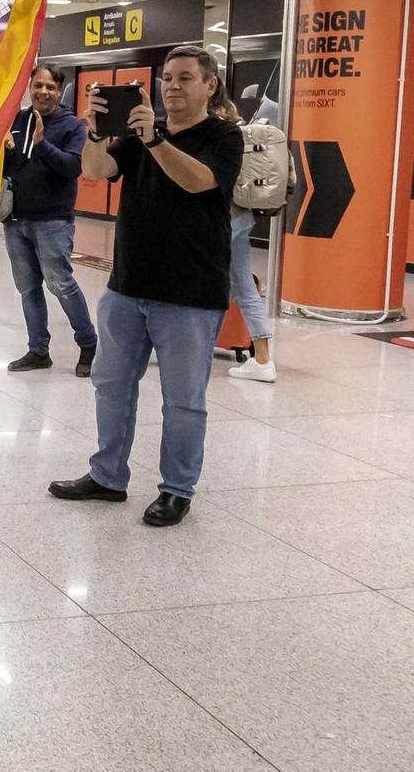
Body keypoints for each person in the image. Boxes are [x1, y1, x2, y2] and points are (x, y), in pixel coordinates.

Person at [51, 46, 243, 528]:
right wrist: (96, 133)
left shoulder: (222, 136)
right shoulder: (138, 136)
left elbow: (199, 182)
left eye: (185, 78)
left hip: (190, 293)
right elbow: (95, 171)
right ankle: (108, 476)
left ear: (210, 85)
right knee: (111, 385)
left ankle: (177, 489)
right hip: (127, 285)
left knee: (183, 399)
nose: (173, 86)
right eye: (167, 79)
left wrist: (154, 138)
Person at [0, 65, 98, 377]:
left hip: (52, 220)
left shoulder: (72, 126)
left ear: (59, 91)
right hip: (16, 219)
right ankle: (38, 350)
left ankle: (88, 343)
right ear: (30, 87)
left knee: (61, 284)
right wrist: (4, 151)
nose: (43, 92)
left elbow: (72, 167)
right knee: (27, 287)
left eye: (51, 87)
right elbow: (11, 167)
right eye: (38, 85)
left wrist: (42, 144)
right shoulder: (17, 120)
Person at [226, 119, 282, 383]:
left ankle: (188, 347)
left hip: (220, 220)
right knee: (245, 287)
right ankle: (262, 358)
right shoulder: (236, 122)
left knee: (200, 282)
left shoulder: (210, 125)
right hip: (242, 215)